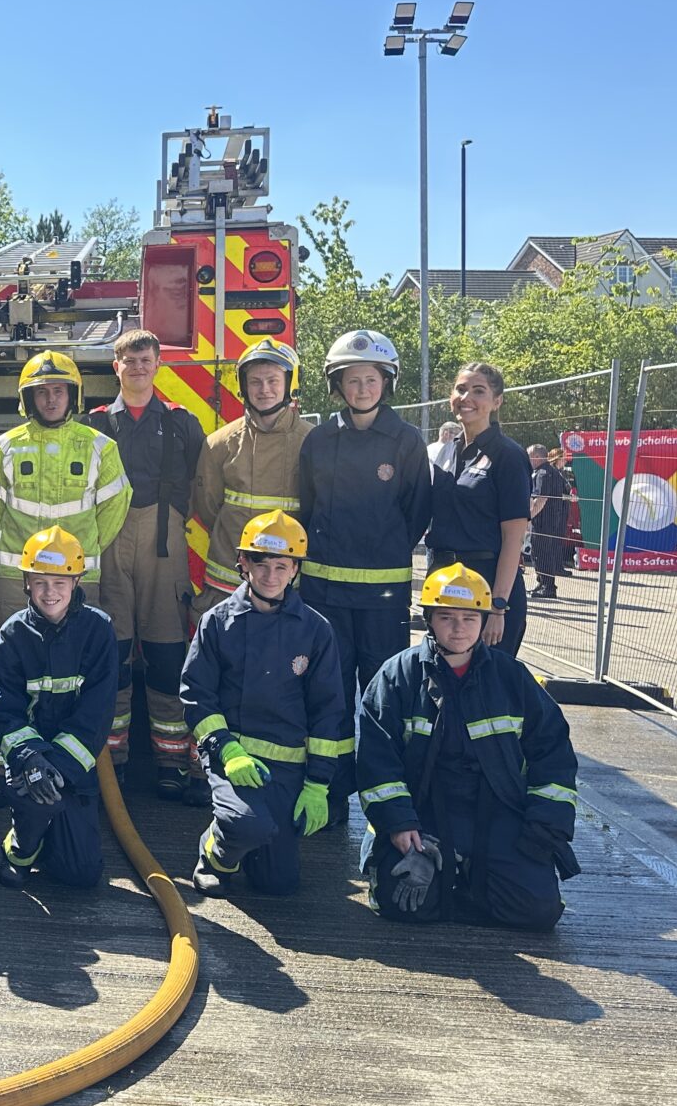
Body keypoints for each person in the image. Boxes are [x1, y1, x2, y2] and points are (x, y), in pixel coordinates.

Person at [355, 562, 580, 932]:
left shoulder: (512, 679)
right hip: (422, 815)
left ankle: (465, 875)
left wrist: (544, 828)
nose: (459, 628)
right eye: (446, 617)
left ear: (483, 620)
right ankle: (454, 876)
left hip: (499, 812)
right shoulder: (397, 677)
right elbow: (377, 763)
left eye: (468, 617)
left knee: (536, 911)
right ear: (428, 620)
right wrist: (399, 825)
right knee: (403, 904)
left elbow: (553, 754)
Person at [295, 329, 432, 815]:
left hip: (382, 599)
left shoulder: (406, 441)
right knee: (329, 697)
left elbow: (417, 513)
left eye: (370, 379)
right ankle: (328, 797)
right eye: (352, 380)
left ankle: (383, 802)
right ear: (338, 386)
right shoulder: (318, 440)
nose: (362, 389)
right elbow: (305, 509)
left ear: (386, 382)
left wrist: (383, 548)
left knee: (380, 698)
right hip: (324, 594)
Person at [182, 511, 347, 898]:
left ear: (295, 570)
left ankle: (247, 839)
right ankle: (216, 854)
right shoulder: (217, 622)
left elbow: (328, 711)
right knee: (247, 826)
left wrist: (319, 784)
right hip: (232, 757)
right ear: (243, 563)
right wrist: (226, 750)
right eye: (261, 563)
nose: (270, 576)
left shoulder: (316, 630)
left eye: (281, 566)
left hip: (288, 768)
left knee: (278, 884)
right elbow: (196, 695)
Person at [88, 329, 205, 799]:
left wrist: (172, 519)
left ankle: (171, 759)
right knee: (112, 654)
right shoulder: (95, 425)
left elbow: (198, 483)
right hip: (110, 543)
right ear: (115, 367)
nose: (137, 367)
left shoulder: (182, 423)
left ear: (158, 365)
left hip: (164, 542)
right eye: (128, 361)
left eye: (145, 359)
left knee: (166, 654)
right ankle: (111, 758)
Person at [0, 527, 117, 890]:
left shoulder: (98, 630)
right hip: (28, 763)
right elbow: (0, 709)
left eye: (60, 581)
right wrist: (31, 760)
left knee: (81, 875)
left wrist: (55, 766)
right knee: (37, 804)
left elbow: (97, 712)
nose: (49, 592)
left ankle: (49, 835)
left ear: (76, 581)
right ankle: (19, 850)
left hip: (73, 764)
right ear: (25, 582)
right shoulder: (12, 635)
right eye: (39, 581)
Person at [0, 349, 132, 627]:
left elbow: (114, 510)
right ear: (29, 398)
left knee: (77, 652)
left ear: (73, 395)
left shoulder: (101, 447)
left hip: (78, 575)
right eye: (41, 392)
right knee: (18, 653)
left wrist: (84, 548)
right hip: (17, 576)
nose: (51, 400)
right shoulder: (2, 448)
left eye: (59, 391)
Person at [191, 338, 310, 614]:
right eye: (255, 382)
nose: (264, 389)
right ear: (244, 387)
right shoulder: (219, 443)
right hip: (229, 573)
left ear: (289, 384)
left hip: (286, 576)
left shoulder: (312, 442)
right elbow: (208, 506)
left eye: (273, 380)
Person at [428, 362, 532, 656]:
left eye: (478, 391)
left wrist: (498, 606)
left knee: (488, 689)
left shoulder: (508, 456)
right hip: (445, 587)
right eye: (461, 389)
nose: (467, 398)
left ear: (496, 402)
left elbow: (513, 539)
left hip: (488, 587)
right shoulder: (445, 453)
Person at [527, 444, 568, 600]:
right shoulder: (547, 472)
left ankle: (548, 587)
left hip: (545, 520)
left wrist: (528, 517)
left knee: (542, 553)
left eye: (529, 456)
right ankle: (542, 582)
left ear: (537, 457)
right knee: (538, 552)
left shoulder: (544, 473)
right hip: (547, 519)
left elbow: (541, 499)